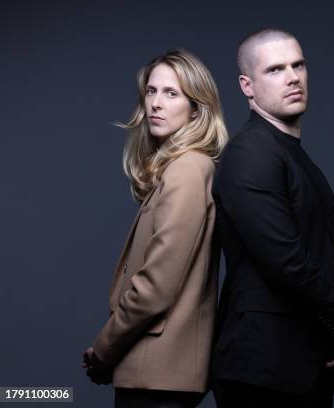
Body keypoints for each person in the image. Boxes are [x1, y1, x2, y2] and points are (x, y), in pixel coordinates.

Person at [211, 28, 334, 408]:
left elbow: (319, 255)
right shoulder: (251, 154)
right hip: (265, 371)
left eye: (298, 65)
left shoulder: (287, 152)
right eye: (274, 69)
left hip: (300, 365)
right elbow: (287, 263)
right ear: (247, 86)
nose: (292, 77)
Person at [82, 49, 228, 408]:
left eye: (171, 93)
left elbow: (156, 286)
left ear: (196, 108)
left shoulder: (188, 170)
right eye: (151, 91)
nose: (156, 104)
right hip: (156, 371)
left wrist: (104, 348)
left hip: (159, 373)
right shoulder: (181, 169)